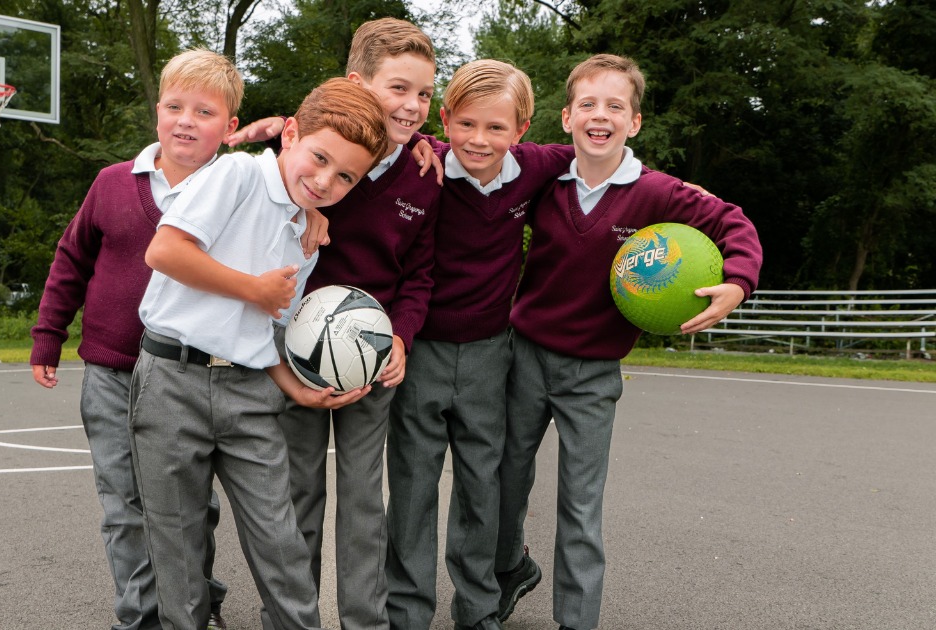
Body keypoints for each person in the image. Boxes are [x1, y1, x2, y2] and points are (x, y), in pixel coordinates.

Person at [30, 49, 321, 630]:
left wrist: (307, 211)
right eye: (174, 106)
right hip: (116, 371)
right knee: (127, 507)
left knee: (191, 510)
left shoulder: (235, 186)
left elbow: (306, 153)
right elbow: (72, 258)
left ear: (229, 128)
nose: (186, 120)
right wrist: (48, 334)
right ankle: (140, 616)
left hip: (190, 374)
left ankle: (195, 599)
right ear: (156, 111)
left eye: (205, 111)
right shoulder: (114, 183)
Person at [495, 53, 763, 630]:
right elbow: (476, 156)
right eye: (588, 104)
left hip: (592, 372)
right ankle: (505, 572)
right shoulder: (543, 177)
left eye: (615, 106)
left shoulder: (658, 193)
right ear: (566, 116)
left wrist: (738, 281)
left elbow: (733, 222)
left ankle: (577, 619)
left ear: (634, 122)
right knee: (503, 480)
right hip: (524, 357)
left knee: (580, 505)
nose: (600, 116)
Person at [128, 77, 391, 630]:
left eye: (345, 176)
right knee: (178, 547)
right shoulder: (237, 173)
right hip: (172, 380)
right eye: (319, 158)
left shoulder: (306, 229)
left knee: (282, 543)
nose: (324, 180)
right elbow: (165, 250)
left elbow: (263, 327)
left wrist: (292, 383)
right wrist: (254, 288)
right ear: (290, 134)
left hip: (249, 390)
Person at [228, 18, 444, 629]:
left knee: (363, 501)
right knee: (296, 496)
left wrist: (400, 334)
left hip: (370, 360)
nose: (411, 105)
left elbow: (420, 274)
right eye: (397, 88)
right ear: (356, 84)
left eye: (424, 94)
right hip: (294, 353)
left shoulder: (427, 174)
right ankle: (288, 618)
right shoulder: (306, 160)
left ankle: (365, 620)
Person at [384, 59, 574, 630]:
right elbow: (355, 135)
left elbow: (600, 159)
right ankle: (407, 612)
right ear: (444, 119)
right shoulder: (423, 170)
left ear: (522, 129)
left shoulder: (537, 166)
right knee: (413, 488)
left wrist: (674, 187)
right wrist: (416, 138)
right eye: (465, 124)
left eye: (497, 128)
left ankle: (479, 608)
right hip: (421, 351)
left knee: (479, 488)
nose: (480, 140)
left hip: (493, 353)